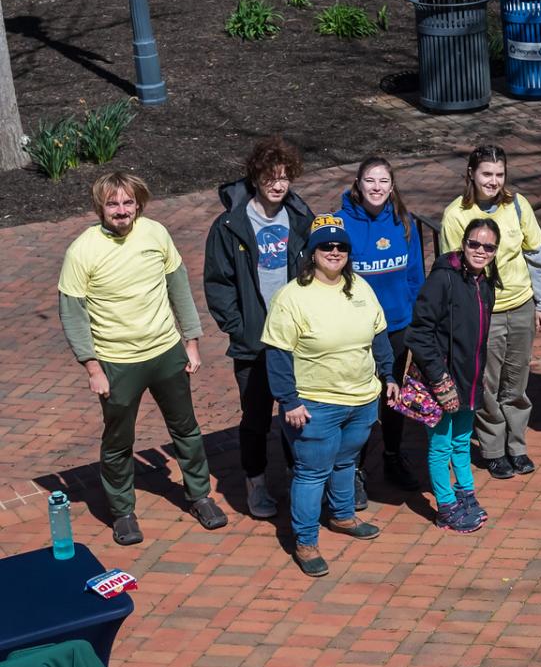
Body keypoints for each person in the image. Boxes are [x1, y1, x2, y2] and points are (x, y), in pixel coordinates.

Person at [59, 172, 225, 546]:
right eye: (113, 203)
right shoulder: (82, 250)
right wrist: (92, 367)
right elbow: (72, 313)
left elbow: (178, 285)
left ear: (139, 204)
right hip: (116, 362)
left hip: (166, 352)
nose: (121, 210)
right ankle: (122, 512)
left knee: (186, 430)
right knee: (118, 442)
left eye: (128, 202)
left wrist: (192, 341)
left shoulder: (156, 233)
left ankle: (200, 495)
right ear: (101, 207)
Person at [261, 213, 399, 578]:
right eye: (326, 245)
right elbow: (277, 355)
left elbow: (379, 335)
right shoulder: (291, 298)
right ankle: (305, 541)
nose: (334, 251)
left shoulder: (361, 288)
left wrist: (388, 375)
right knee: (311, 472)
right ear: (312, 251)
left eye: (341, 246)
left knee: (345, 461)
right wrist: (288, 400)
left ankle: (341, 516)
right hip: (316, 403)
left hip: (362, 398)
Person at [205, 136, 314, 519]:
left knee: (296, 413)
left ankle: (297, 477)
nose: (278, 185)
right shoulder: (230, 226)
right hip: (253, 342)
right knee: (255, 419)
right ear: (256, 177)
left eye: (285, 177)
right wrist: (238, 326)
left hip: (295, 339)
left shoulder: (300, 219)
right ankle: (256, 485)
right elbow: (217, 283)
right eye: (271, 177)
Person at [440, 146, 541, 479]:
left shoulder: (517, 206)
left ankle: (516, 445)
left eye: (499, 174)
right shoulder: (455, 215)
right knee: (487, 384)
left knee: (516, 381)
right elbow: (452, 271)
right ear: (472, 174)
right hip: (482, 312)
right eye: (487, 174)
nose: (493, 181)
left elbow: (536, 254)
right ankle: (492, 448)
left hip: (520, 305)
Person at [339, 157, 426, 506]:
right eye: (370, 180)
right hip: (358, 331)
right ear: (358, 184)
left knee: (393, 397)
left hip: (397, 327)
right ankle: (355, 470)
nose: (377, 187)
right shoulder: (342, 223)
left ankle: (392, 454)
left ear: (392, 186)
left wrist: (417, 316)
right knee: (360, 400)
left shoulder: (403, 222)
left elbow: (415, 276)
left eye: (384, 181)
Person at [407, 218, 499, 534]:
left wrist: (479, 374)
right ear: (463, 243)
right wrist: (439, 379)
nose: (480, 251)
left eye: (488, 246)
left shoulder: (484, 283)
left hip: (470, 379)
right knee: (441, 445)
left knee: (461, 441)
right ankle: (445, 506)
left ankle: (466, 494)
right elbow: (419, 333)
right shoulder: (443, 279)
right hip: (443, 381)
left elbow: (478, 339)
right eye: (474, 243)